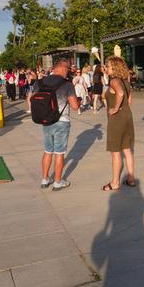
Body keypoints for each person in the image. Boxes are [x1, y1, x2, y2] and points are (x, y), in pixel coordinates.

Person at [39, 59, 80, 191]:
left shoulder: (41, 82)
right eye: (68, 69)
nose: (68, 72)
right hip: (61, 122)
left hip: (46, 121)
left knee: (47, 151)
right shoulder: (67, 84)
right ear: (63, 68)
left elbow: (31, 98)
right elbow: (74, 106)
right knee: (59, 153)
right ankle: (57, 181)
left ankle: (45, 179)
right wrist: (78, 101)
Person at [102, 56, 136, 191]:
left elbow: (120, 93)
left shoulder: (114, 81)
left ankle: (115, 183)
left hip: (117, 120)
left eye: (108, 66)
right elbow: (129, 100)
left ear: (115, 67)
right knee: (127, 150)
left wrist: (115, 108)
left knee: (115, 152)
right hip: (128, 117)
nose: (106, 68)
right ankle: (131, 179)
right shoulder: (126, 81)